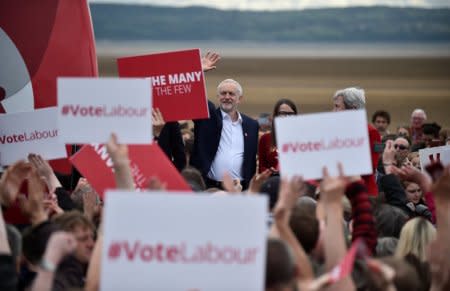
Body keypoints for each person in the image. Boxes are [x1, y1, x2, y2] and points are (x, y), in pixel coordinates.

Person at [191, 77, 259, 190]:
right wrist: (198, 73)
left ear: (239, 99)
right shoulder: (207, 118)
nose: (227, 97)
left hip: (240, 188)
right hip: (210, 188)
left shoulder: (252, 125)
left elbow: (251, 160)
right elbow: (194, 95)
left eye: (231, 94)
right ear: (218, 97)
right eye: (223, 93)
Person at [332, 87, 381, 195]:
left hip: (363, 192)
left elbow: (371, 166)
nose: (333, 111)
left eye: (337, 107)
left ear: (353, 109)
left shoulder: (372, 132)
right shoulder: (335, 132)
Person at [258, 98, 298, 174]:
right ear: (276, 116)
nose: (287, 117)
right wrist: (270, 172)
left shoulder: (301, 139)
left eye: (291, 114)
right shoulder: (265, 139)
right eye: (282, 113)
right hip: (272, 182)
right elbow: (262, 167)